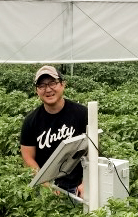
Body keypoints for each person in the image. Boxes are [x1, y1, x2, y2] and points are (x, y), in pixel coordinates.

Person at [20, 65, 89, 198]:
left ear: (63, 85)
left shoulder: (82, 114)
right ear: (36, 90)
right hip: (47, 185)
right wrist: (45, 184)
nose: (48, 89)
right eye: (42, 85)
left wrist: (86, 183)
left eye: (53, 83)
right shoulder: (30, 121)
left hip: (78, 185)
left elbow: (93, 150)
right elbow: (28, 158)